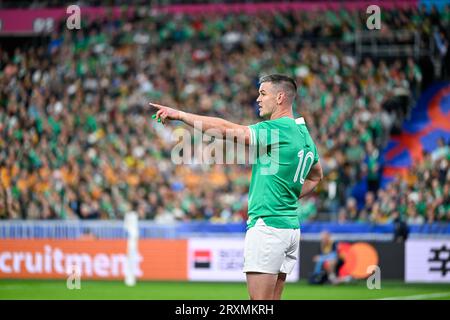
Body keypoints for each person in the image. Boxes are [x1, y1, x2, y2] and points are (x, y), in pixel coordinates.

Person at [149, 74, 323, 300]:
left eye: (263, 93)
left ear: (280, 97)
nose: (258, 99)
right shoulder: (303, 134)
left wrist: (180, 115)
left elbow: (225, 129)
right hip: (289, 228)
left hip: (268, 226)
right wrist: (287, 197)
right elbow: (316, 176)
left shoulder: (277, 129)